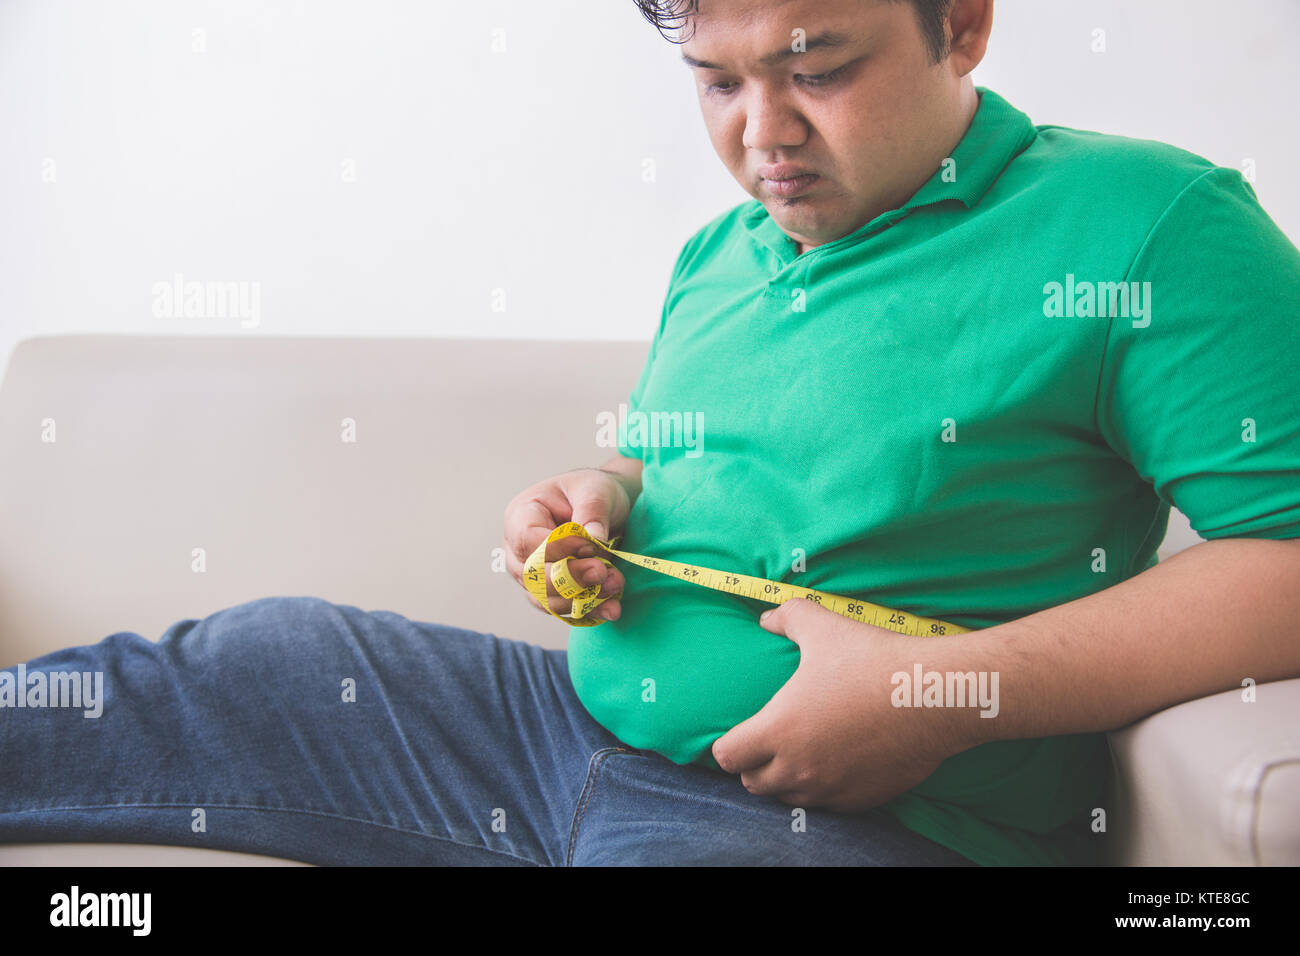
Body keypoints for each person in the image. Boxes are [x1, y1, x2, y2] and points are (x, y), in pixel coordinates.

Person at [3, 0, 1299, 867]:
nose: (764, 135)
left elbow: (1287, 561)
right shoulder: (724, 251)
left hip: (852, 821)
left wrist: (935, 694)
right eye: (717, 82)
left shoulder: (1152, 226)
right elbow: (696, 459)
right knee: (264, 651)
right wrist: (602, 494)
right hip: (550, 730)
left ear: (960, 21)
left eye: (819, 70)